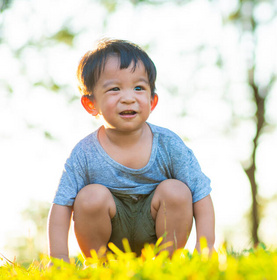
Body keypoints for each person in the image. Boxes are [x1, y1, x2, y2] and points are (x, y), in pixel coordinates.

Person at [47, 39, 215, 263]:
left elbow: (201, 195)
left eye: (139, 88)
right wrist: (58, 258)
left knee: (177, 190)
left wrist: (207, 248)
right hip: (110, 234)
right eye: (114, 89)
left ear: (152, 101)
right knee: (89, 197)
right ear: (91, 104)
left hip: (155, 226)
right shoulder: (85, 153)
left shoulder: (169, 144)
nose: (128, 98)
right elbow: (61, 205)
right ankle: (102, 266)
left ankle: (165, 265)